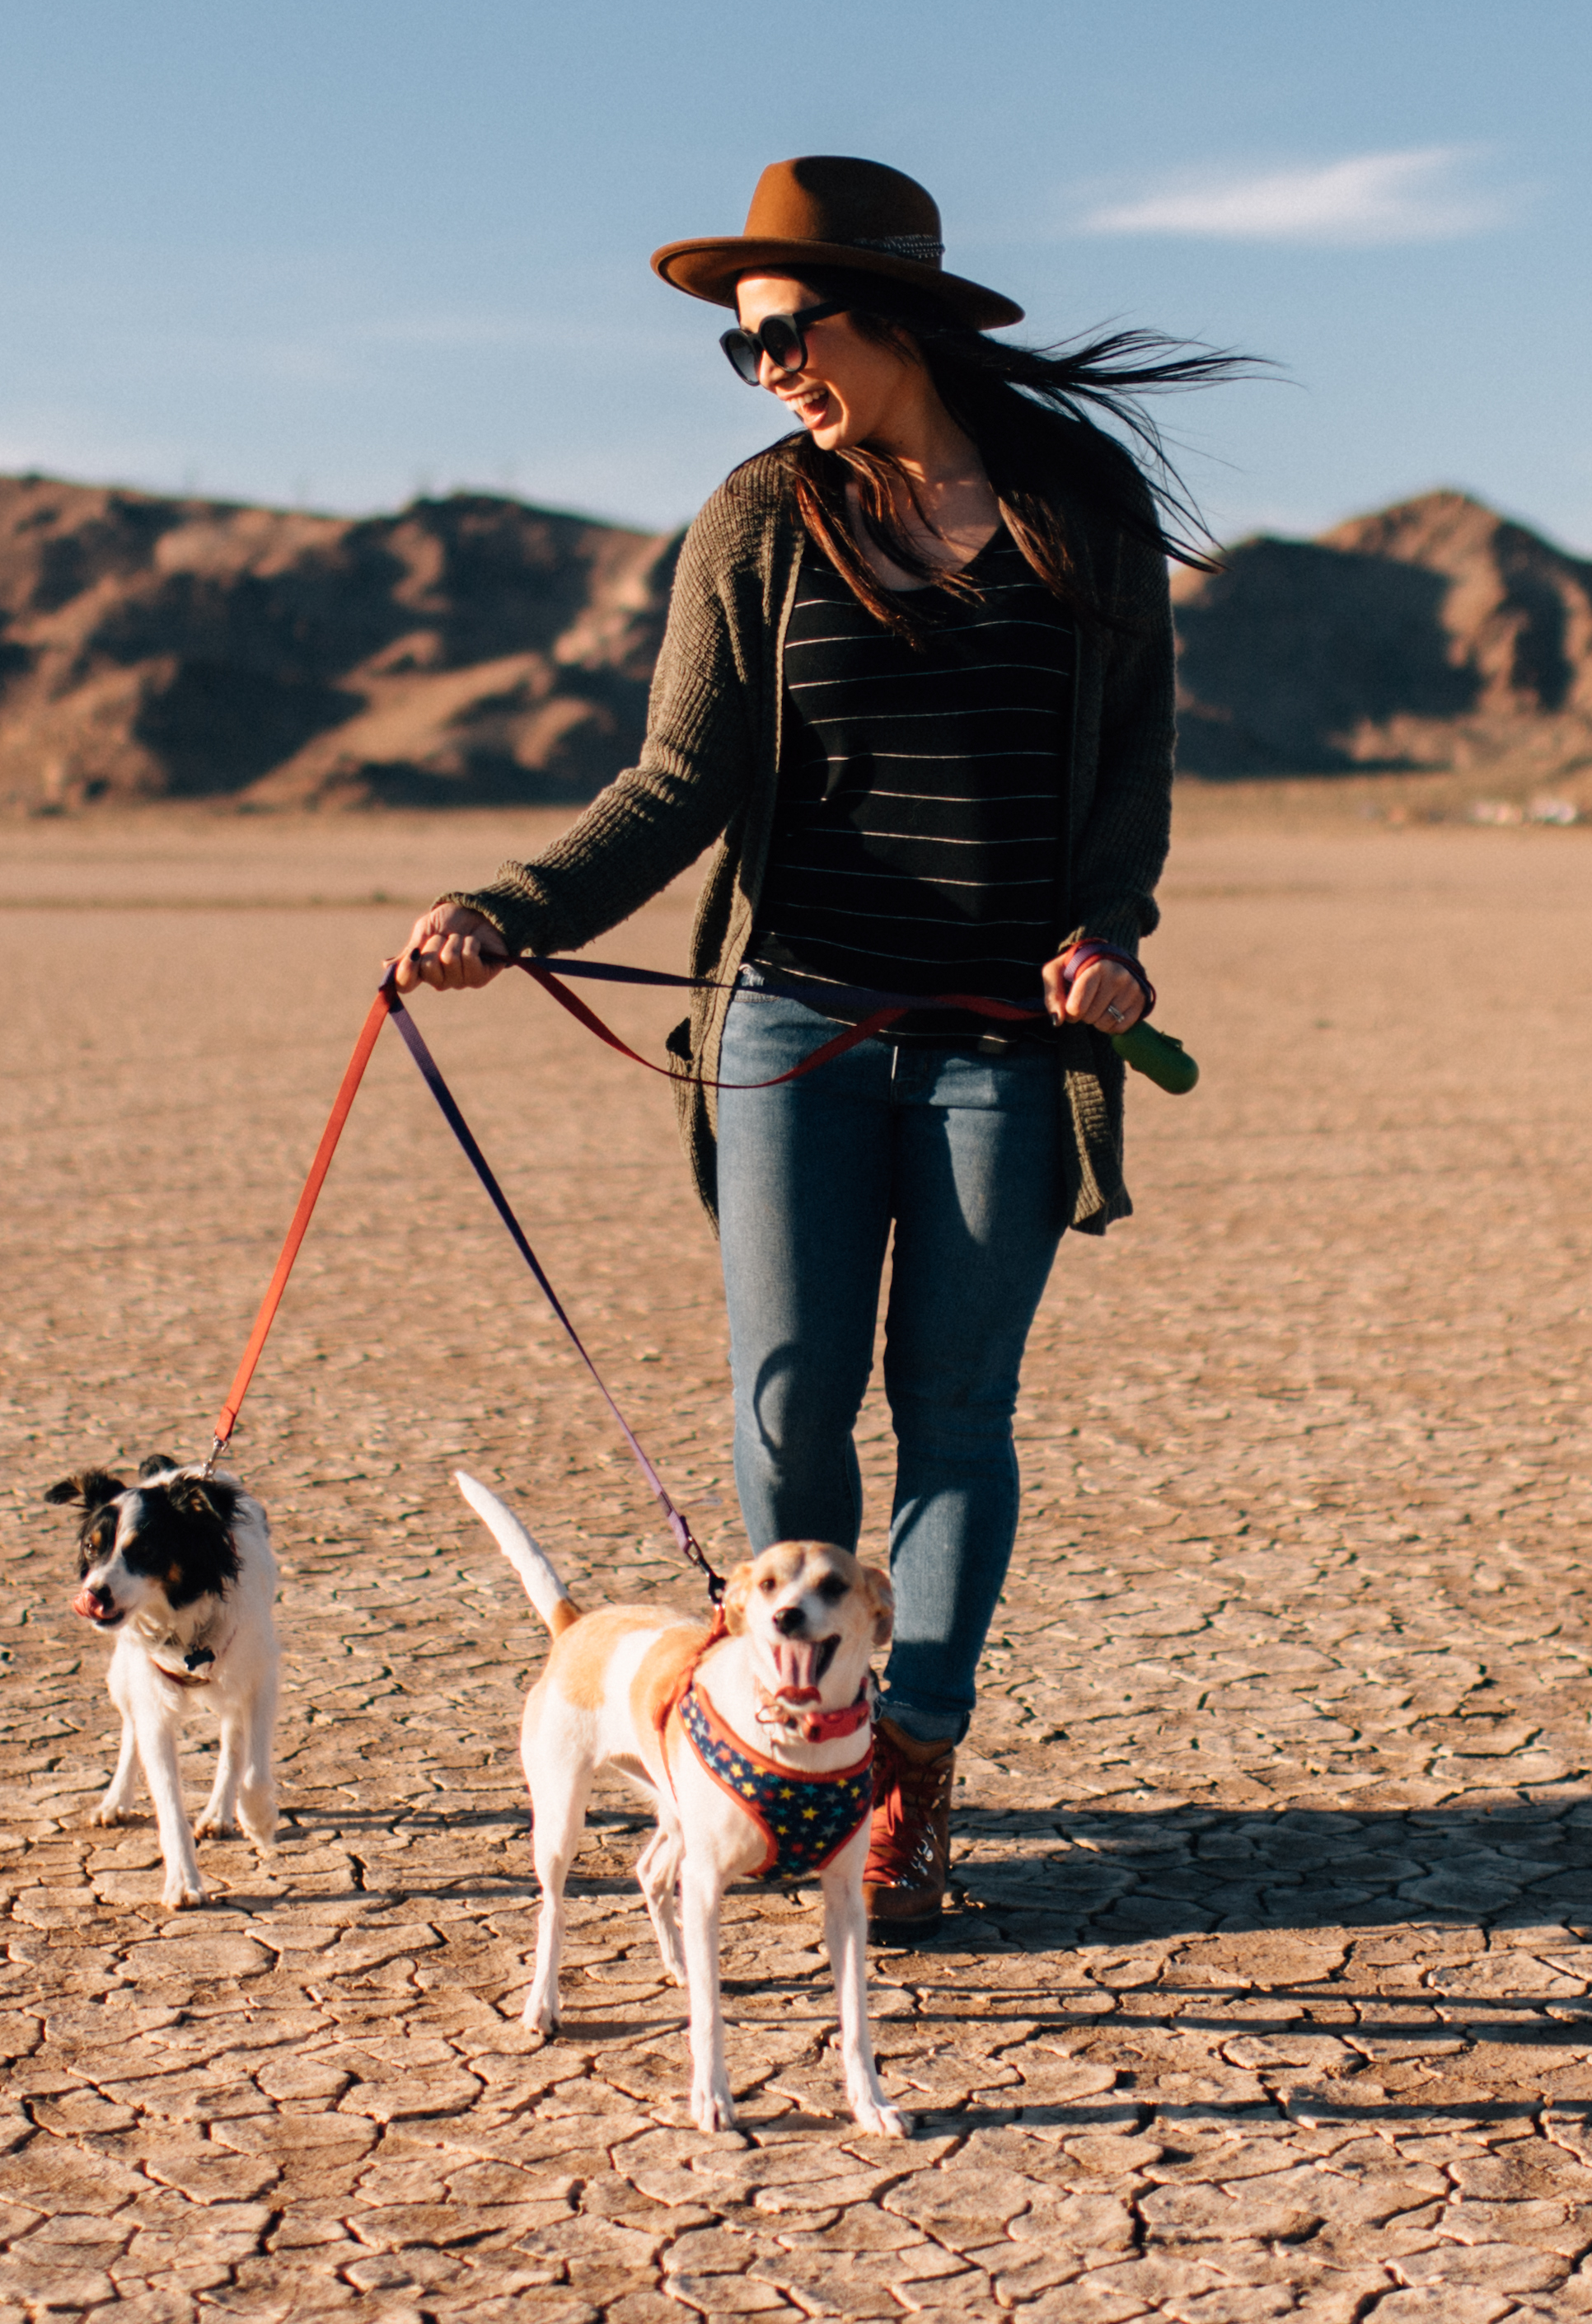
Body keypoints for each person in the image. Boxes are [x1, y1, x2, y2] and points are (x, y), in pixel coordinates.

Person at [393, 153, 1250, 1932]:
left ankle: (902, 1779)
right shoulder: (758, 520)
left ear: (894, 312)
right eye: (741, 347)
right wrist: (514, 909)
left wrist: (1110, 938)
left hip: (996, 1046)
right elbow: (677, 779)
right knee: (790, 1412)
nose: (765, 365)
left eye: (784, 329)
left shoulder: (1073, 507)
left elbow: (1127, 782)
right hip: (790, 1024)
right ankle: (790, 1740)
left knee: (954, 1416)